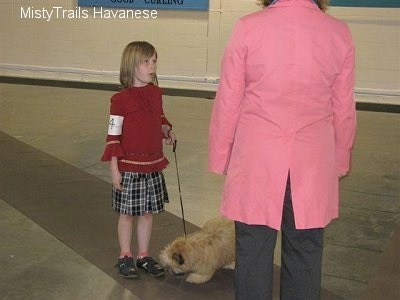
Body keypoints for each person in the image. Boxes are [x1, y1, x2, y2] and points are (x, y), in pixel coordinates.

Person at [208, 0, 356, 299]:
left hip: (257, 162)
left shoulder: (248, 28)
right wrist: (340, 161)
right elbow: (344, 109)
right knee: (305, 254)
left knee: (252, 252)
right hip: (313, 164)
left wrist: (221, 155)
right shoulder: (338, 33)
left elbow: (229, 100)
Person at [101, 41, 176, 279]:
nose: (152, 66)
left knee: (146, 213)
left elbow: (159, 116)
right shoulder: (119, 100)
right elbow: (113, 135)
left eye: (154, 61)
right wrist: (114, 169)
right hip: (129, 167)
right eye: (146, 61)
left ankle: (143, 255)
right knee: (127, 214)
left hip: (152, 164)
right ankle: (125, 255)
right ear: (132, 65)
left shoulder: (156, 93)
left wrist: (166, 130)